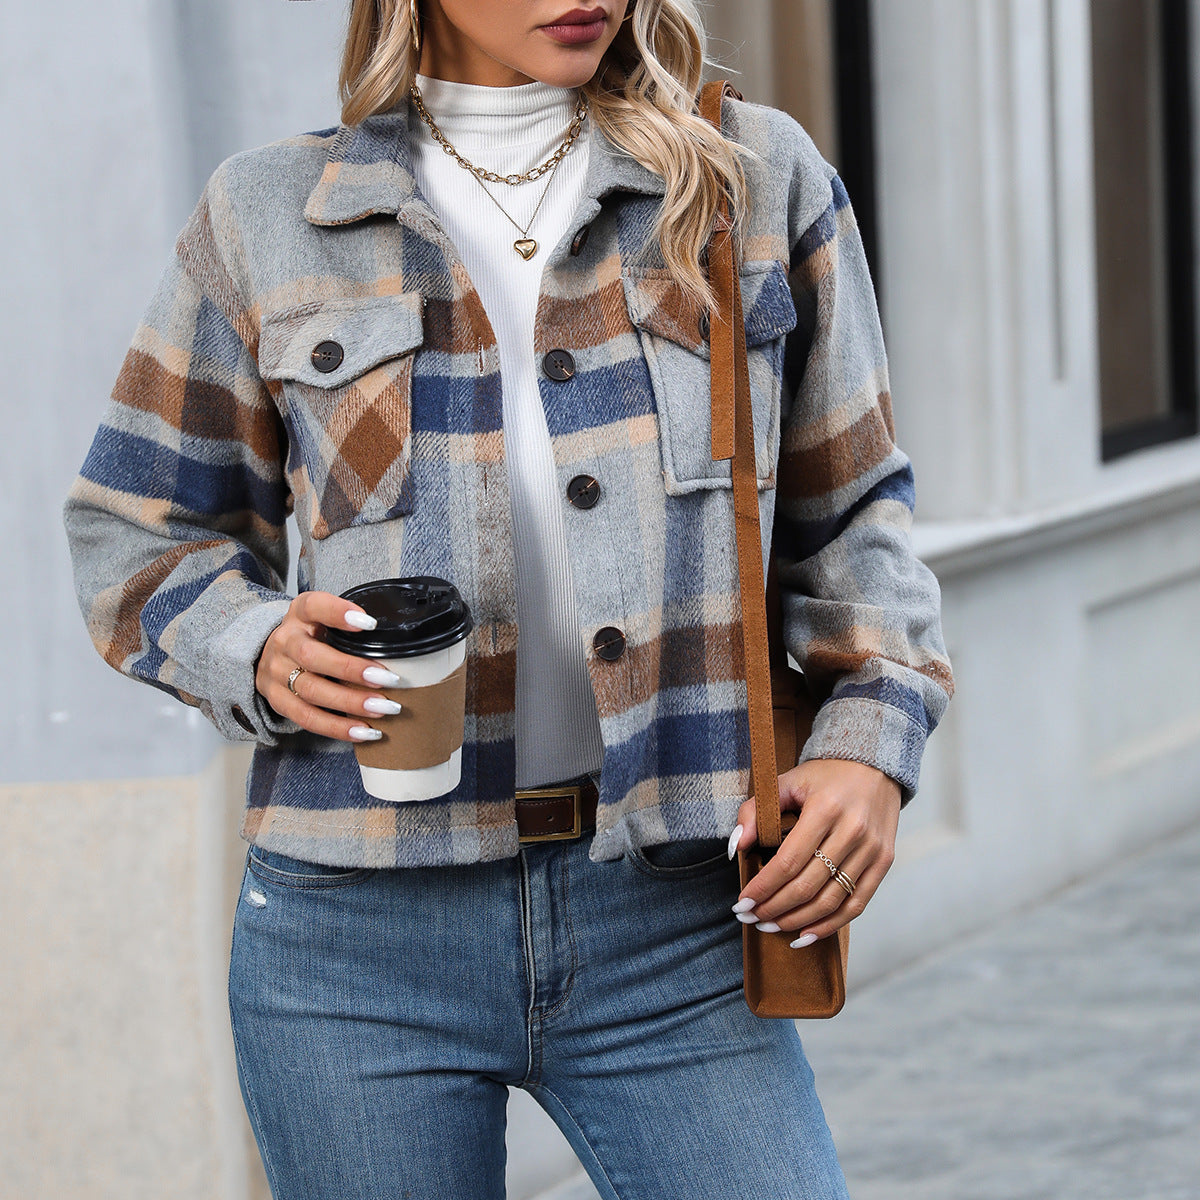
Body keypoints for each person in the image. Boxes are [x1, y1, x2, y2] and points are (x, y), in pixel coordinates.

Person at [63, 1, 955, 1196]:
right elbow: (136, 530)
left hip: (672, 916)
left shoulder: (752, 180)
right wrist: (256, 648)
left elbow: (856, 515)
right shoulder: (268, 213)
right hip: (355, 942)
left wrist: (869, 744)